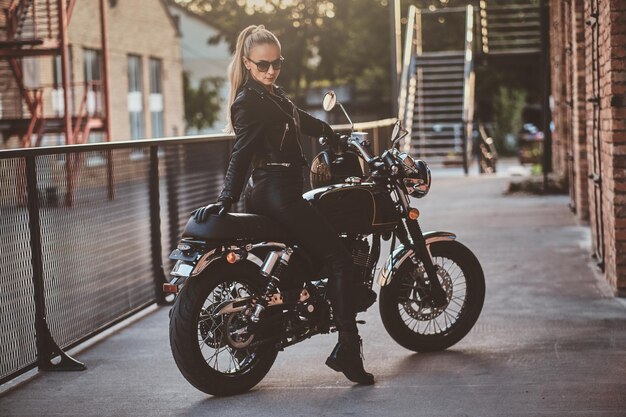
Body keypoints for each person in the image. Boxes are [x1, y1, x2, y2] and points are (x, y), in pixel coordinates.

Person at [193, 25, 374, 385]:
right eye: (262, 65)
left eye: (277, 63)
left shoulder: (272, 96)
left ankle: (303, 302)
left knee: (314, 250)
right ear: (247, 63)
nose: (271, 70)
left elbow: (299, 119)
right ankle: (348, 351)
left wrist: (329, 132)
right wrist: (225, 197)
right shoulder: (250, 100)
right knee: (338, 257)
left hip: (277, 191)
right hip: (277, 192)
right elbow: (241, 152)